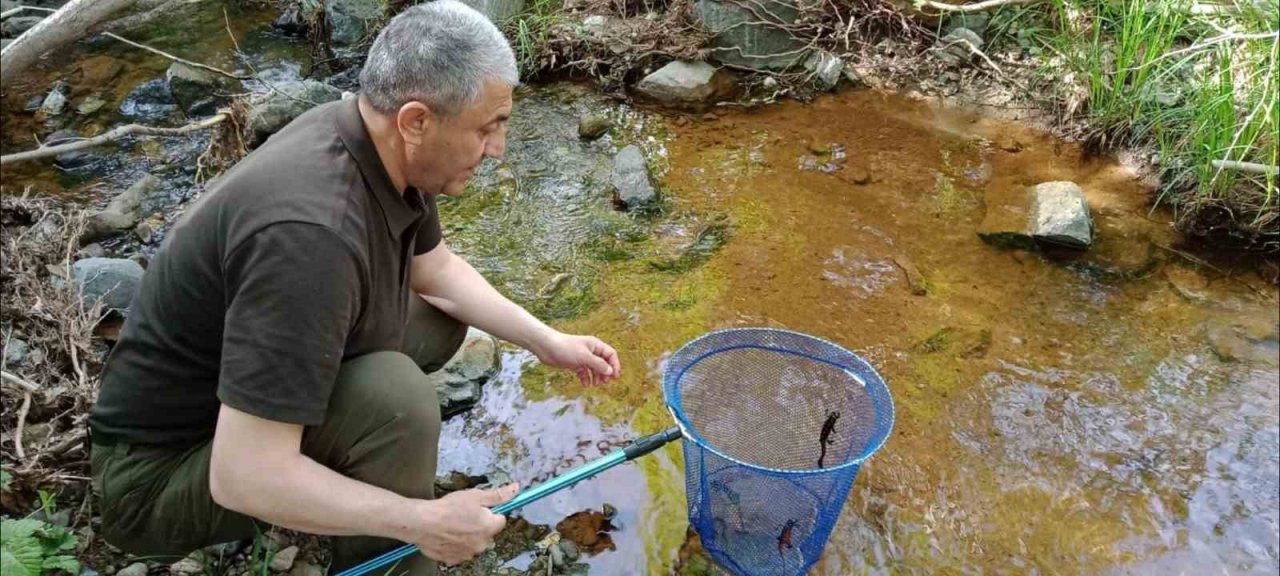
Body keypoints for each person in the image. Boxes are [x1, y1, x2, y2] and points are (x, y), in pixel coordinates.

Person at [86, 2, 621, 574]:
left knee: (439, 320)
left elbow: (435, 272)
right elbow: (242, 474)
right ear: (416, 120)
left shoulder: (375, 139)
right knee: (395, 400)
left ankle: (349, 471)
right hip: (157, 481)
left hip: (227, 407)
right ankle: (390, 557)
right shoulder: (309, 239)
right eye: (486, 128)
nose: (497, 149)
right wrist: (422, 521)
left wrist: (546, 341)